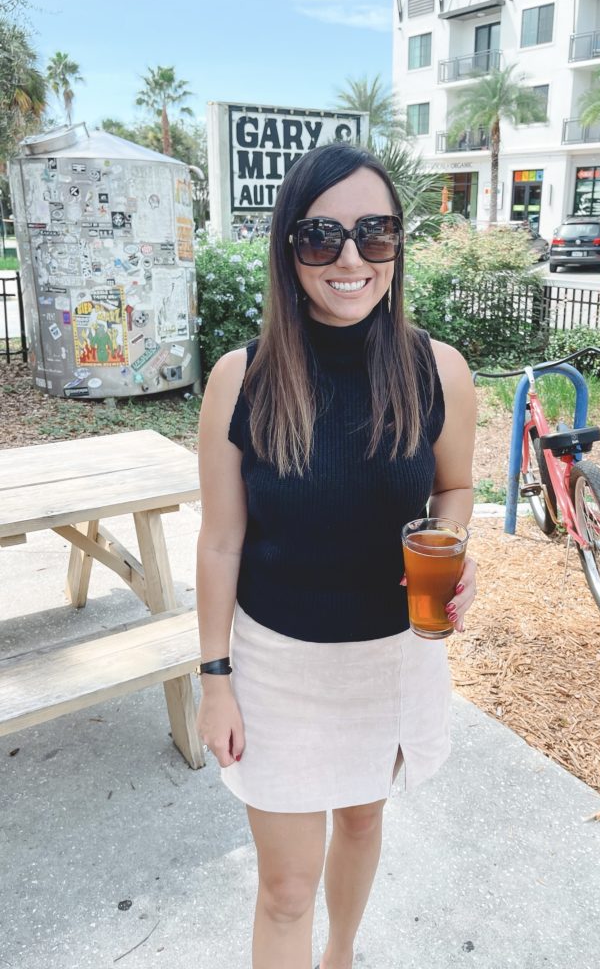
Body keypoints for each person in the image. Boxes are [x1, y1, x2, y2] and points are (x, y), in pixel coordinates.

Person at [196, 143, 477, 969]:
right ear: (289, 248)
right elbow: (220, 539)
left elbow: (455, 489)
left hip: (390, 658)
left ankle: (341, 958)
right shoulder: (239, 378)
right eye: (322, 237)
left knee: (361, 818)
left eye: (375, 234)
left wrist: (455, 550)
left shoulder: (438, 371)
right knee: (285, 892)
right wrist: (215, 681)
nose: (351, 259)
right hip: (275, 662)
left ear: (396, 244)